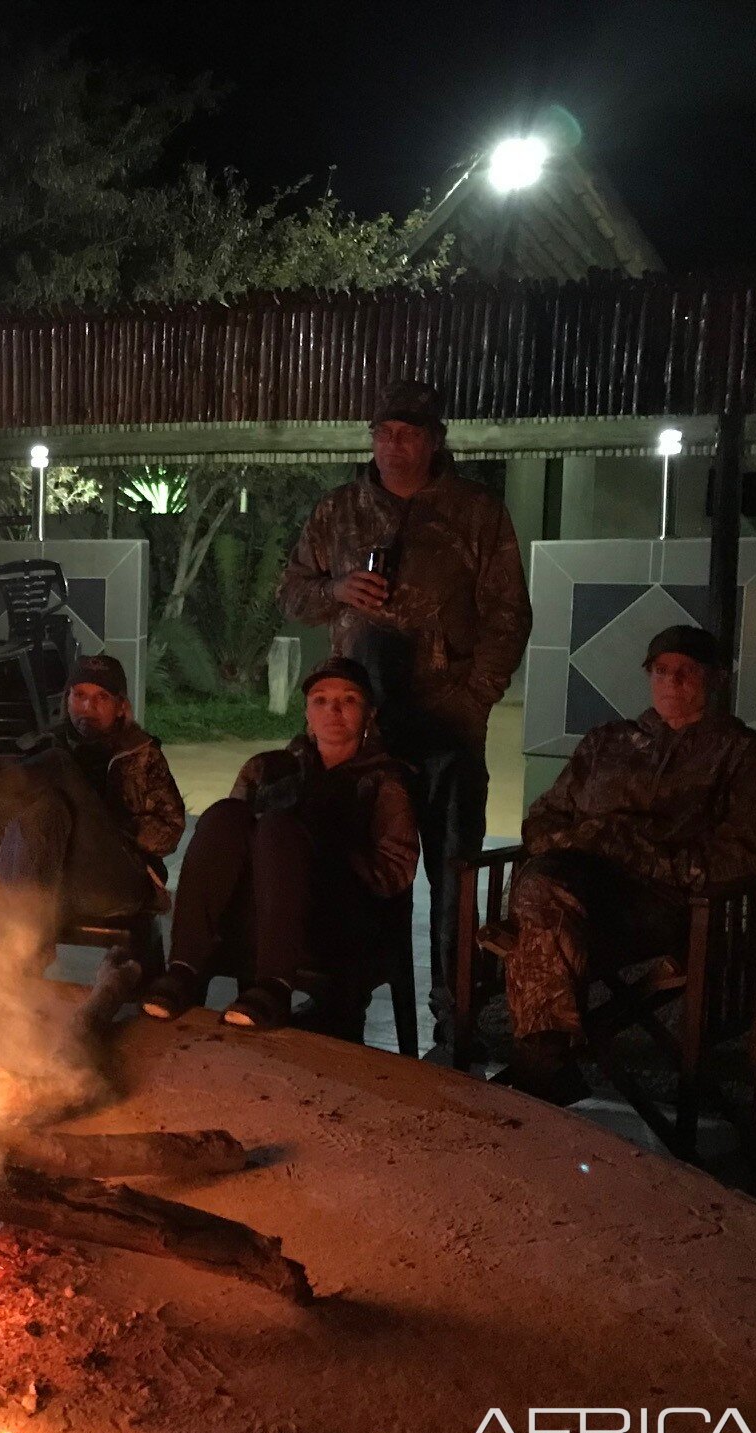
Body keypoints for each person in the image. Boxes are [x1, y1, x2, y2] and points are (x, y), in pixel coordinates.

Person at [278, 378, 531, 1034]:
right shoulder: (339, 512)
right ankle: (343, 1003)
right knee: (350, 863)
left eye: (409, 433)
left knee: (454, 873)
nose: (394, 445)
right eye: (384, 432)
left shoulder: (476, 513)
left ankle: (456, 1020)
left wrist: (476, 699)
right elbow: (293, 595)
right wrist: (337, 589)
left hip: (446, 719)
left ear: (435, 440)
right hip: (360, 729)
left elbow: (508, 614)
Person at [498, 625, 756, 1102]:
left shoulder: (741, 754)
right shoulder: (608, 742)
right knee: (543, 888)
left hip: (663, 903)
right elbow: (545, 816)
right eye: (661, 671)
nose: (671, 682)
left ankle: (543, 1065)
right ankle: (550, 1065)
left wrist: (647, 855)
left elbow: (752, 850)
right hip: (579, 885)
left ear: (714, 679)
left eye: (685, 672)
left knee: (543, 916)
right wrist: (578, 839)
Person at [139, 657, 418, 1031]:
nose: (333, 710)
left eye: (348, 700)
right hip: (257, 906)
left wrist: (325, 854)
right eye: (321, 700)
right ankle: (185, 970)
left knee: (277, 830)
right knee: (224, 815)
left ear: (368, 714)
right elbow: (225, 845)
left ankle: (274, 986)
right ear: (307, 713)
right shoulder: (268, 768)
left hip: (332, 914)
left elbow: (396, 869)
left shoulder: (385, 782)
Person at [0, 655, 185, 978]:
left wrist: (107, 825)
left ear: (120, 706)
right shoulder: (45, 742)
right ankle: (22, 954)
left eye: (100, 698)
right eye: (80, 696)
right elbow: (14, 824)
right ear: (67, 699)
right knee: (44, 807)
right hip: (44, 879)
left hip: (110, 881)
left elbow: (172, 827)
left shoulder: (141, 755)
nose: (87, 707)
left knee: (56, 767)